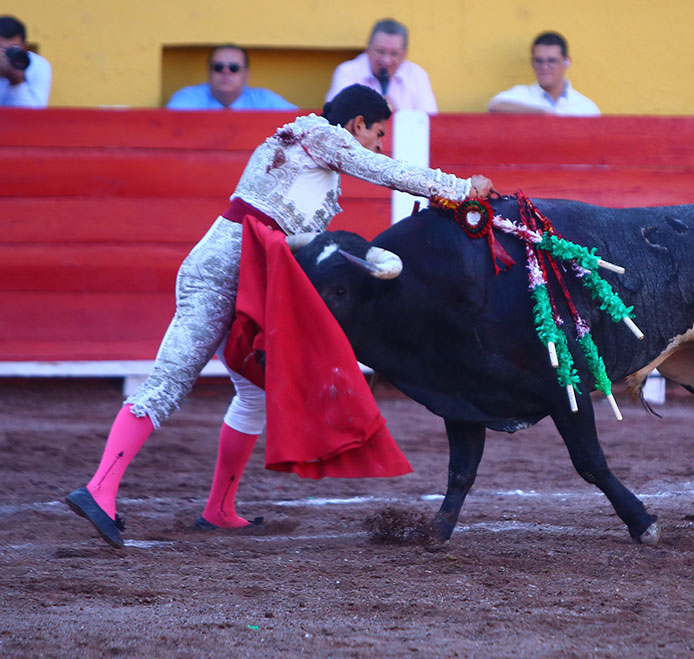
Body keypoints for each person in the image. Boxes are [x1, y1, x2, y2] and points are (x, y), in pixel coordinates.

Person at [66, 84, 494, 549]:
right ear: (356, 125)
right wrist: (458, 189)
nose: (379, 142)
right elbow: (379, 168)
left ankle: (219, 510)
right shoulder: (319, 134)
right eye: (378, 132)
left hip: (255, 277)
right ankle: (99, 490)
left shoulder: (312, 163)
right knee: (169, 381)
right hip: (221, 272)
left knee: (252, 393)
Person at [325, 18, 437, 113]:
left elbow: (429, 121)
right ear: (368, 49)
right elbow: (334, 114)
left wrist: (397, 116)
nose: (386, 60)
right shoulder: (347, 71)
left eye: (394, 54)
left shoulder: (417, 75)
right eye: (380, 51)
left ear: (404, 54)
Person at [487, 31, 600, 116]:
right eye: (539, 61)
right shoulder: (521, 94)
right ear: (532, 63)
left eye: (552, 61)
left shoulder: (586, 107)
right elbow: (494, 105)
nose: (545, 67)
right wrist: (539, 112)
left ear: (566, 62)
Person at [167, 44, 296, 110]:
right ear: (209, 72)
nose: (226, 72)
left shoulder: (264, 99)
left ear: (246, 75)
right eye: (218, 67)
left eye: (234, 68)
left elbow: (298, 123)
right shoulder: (188, 97)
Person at [0, 15, 52, 108]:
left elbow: (34, 116)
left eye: (12, 49)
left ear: (24, 47)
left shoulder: (38, 65)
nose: (5, 56)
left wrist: (17, 81)